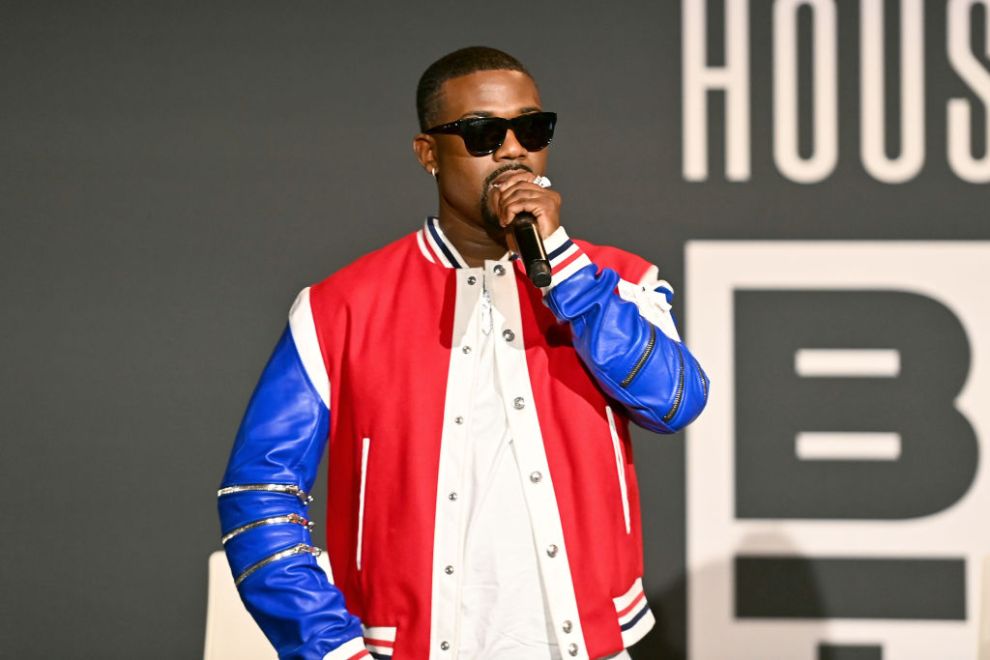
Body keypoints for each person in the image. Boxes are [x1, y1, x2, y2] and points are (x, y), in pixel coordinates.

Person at [217, 46, 709, 660]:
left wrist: (565, 269)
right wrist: (331, 648)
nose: (513, 151)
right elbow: (259, 491)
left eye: (532, 129)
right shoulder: (338, 307)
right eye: (483, 133)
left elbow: (676, 402)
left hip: (591, 645)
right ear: (428, 153)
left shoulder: (616, 279)